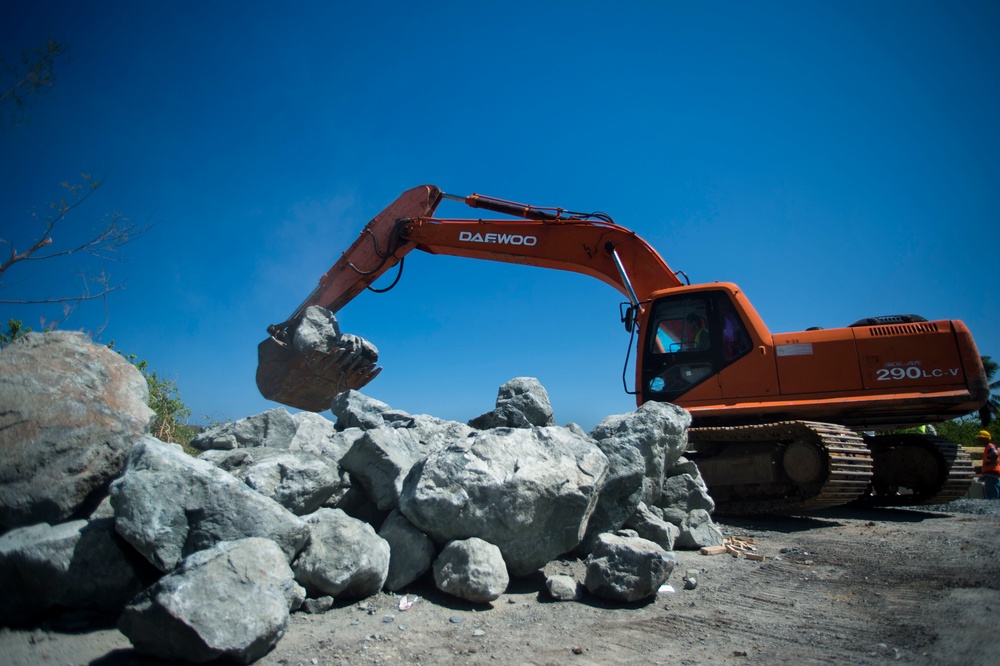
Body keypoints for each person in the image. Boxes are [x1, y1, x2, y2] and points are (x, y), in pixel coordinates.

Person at [979, 430, 999, 500]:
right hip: (990, 472)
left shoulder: (990, 446)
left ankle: (994, 505)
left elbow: (995, 454)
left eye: (981, 438)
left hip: (991, 472)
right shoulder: (988, 447)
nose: (980, 440)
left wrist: (990, 463)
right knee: (994, 489)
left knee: (992, 492)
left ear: (986, 439)